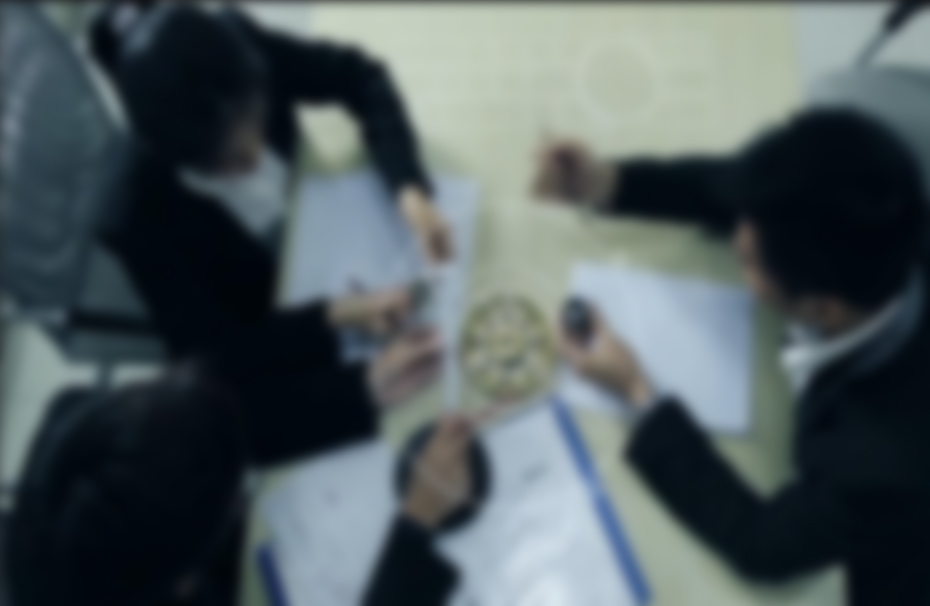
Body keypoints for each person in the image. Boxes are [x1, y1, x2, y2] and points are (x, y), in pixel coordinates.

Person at [535, 109, 930, 605]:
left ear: (821, 308)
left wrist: (639, 395)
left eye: (748, 263)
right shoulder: (866, 206)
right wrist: (607, 182)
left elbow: (763, 545)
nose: (736, 238)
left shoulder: (881, 469)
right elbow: (728, 188)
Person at [87, 3, 451, 363]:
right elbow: (211, 356)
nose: (257, 157)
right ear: (177, 160)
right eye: (230, 163)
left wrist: (408, 188)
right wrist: (330, 316)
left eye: (258, 118)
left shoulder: (236, 44)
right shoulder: (135, 216)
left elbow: (361, 77)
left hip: (325, 215)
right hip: (277, 304)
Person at [5, 326, 443, 606]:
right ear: (184, 581)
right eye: (233, 501)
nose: (241, 498)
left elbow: (212, 414)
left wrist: (361, 387)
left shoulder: (74, 421)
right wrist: (415, 532)